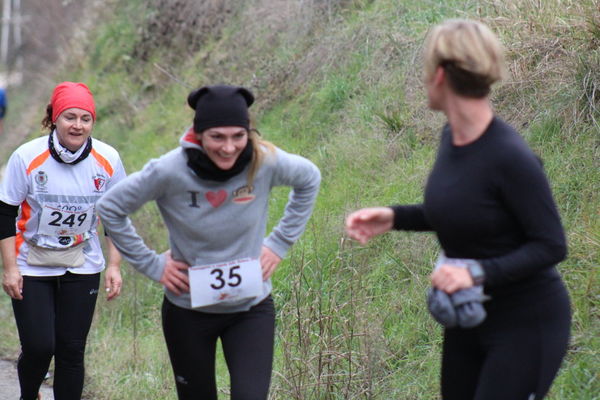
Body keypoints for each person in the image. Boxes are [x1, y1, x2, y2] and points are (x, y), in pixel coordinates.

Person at [345, 19, 570, 400]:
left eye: (425, 68)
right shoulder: (453, 137)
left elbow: (551, 245)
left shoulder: (509, 156)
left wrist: (477, 272)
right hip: (470, 319)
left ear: (441, 75)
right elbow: (469, 212)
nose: (423, 77)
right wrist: (395, 217)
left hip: (527, 322)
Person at [97, 84, 321, 400]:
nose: (228, 148)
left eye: (237, 136)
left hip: (250, 308)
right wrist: (153, 265)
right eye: (217, 137)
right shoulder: (169, 170)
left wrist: (278, 244)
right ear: (199, 134)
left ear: (248, 133)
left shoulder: (263, 161)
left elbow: (309, 178)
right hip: (188, 311)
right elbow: (110, 207)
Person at [0, 81, 126, 400]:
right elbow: (4, 214)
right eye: (70, 117)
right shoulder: (27, 156)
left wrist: (114, 265)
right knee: (40, 346)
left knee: (71, 350)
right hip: (32, 263)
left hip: (82, 262)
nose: (77, 125)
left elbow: (115, 216)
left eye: (85, 118)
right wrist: (10, 268)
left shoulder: (107, 158)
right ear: (55, 118)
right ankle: (30, 394)